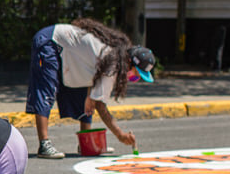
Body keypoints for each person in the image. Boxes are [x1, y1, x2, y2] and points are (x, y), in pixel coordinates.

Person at [25, 18, 157, 159]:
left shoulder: (115, 55)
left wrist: (90, 96)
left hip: (65, 49)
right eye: (134, 75)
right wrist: (120, 135)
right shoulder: (112, 63)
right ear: (129, 62)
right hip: (50, 42)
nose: (132, 79)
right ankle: (44, 144)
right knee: (46, 90)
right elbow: (101, 105)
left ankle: (86, 145)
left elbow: (94, 88)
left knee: (87, 96)